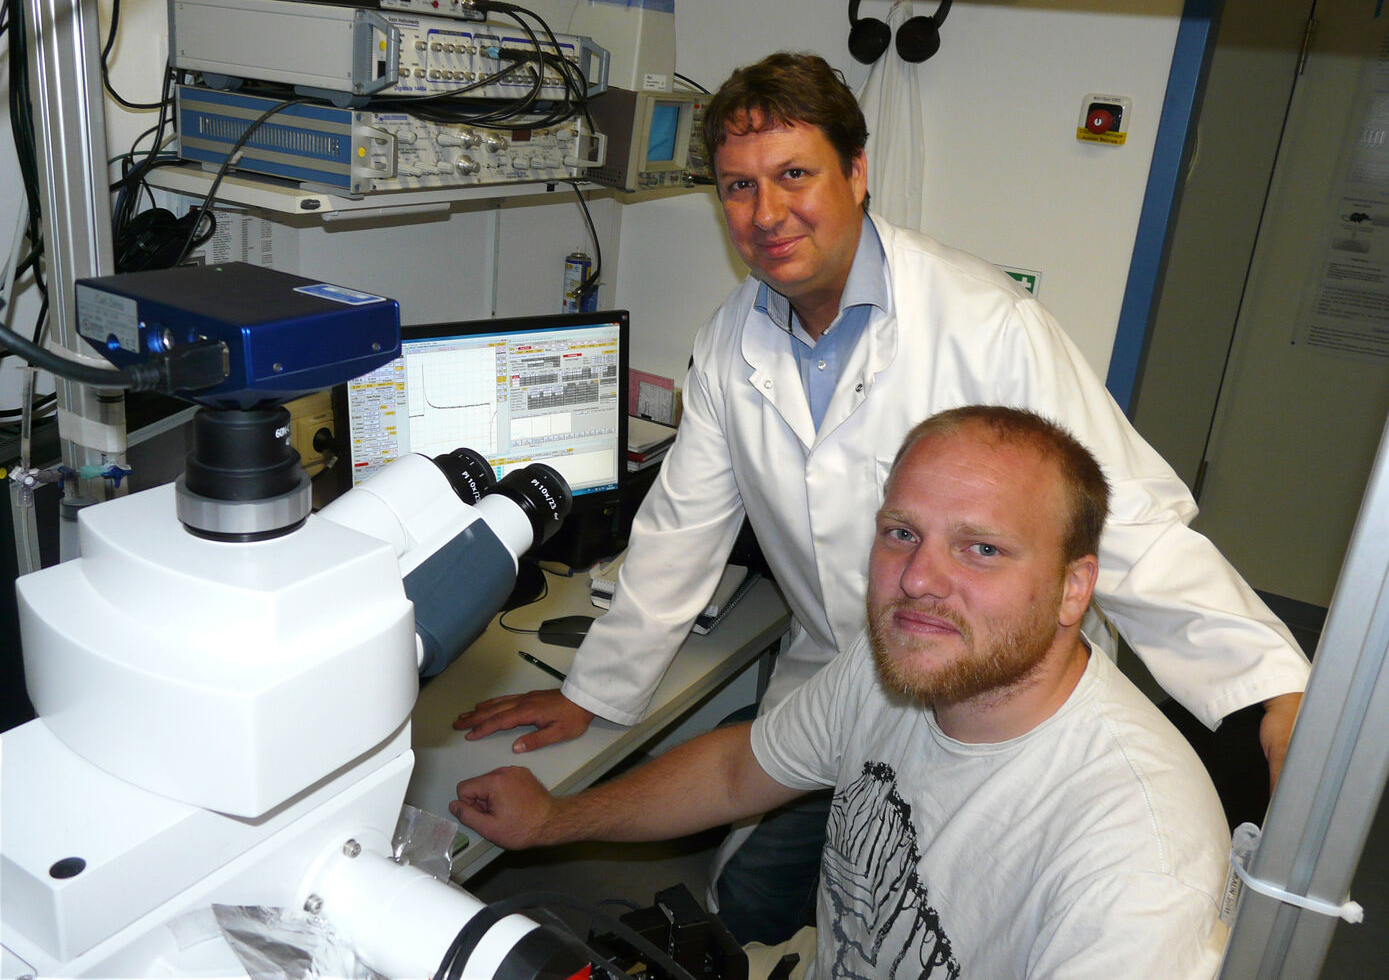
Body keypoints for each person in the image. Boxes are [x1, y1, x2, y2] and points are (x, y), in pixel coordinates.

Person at [454, 52, 1307, 944]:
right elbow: (679, 531)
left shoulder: (984, 326)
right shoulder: (732, 340)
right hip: (841, 682)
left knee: (952, 920)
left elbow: (1125, 522)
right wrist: (593, 693)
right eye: (737, 187)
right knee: (758, 900)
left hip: (992, 692)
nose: (766, 213)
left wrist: (1266, 685)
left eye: (794, 176)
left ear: (857, 174)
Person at [452, 407, 1232, 979]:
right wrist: (556, 819)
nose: (919, 581)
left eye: (982, 549)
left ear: (1072, 591)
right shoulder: (895, 668)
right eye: (900, 533)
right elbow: (736, 773)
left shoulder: (1139, 857)